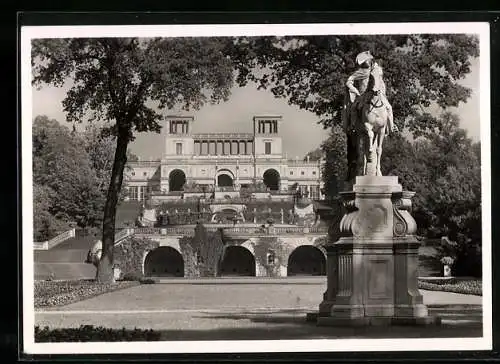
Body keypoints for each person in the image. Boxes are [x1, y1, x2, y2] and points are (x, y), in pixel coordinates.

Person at [342, 51, 396, 136]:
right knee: (353, 108)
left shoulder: (376, 70)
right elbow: (348, 81)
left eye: (369, 61)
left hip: (377, 94)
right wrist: (355, 90)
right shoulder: (360, 72)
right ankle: (352, 125)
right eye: (367, 61)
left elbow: (380, 83)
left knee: (389, 107)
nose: (369, 63)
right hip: (363, 95)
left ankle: (392, 127)